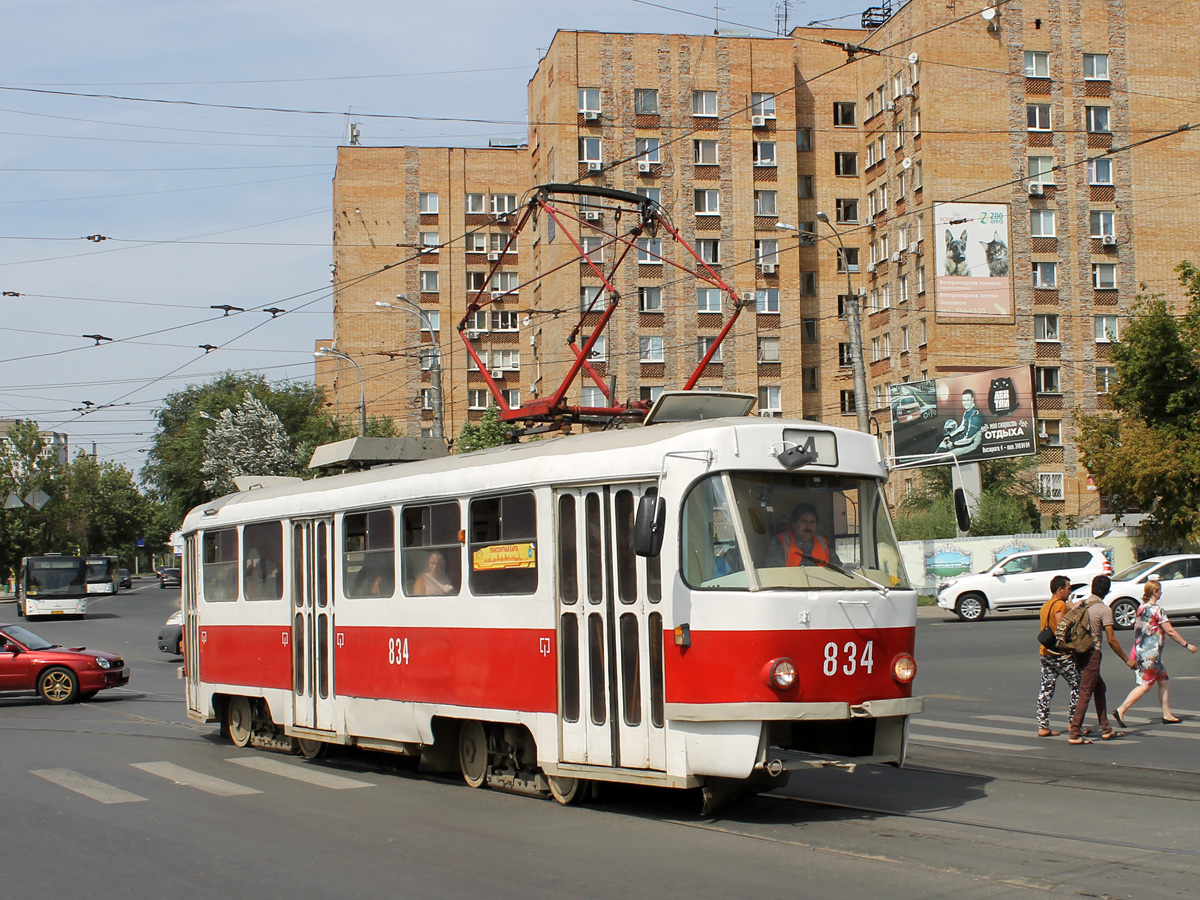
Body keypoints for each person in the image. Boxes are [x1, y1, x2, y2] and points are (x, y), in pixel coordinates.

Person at [1113, 577, 1197, 727]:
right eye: (1159, 590)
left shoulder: (1141, 608)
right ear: (1155, 592)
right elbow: (1169, 630)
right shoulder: (1157, 610)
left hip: (1144, 651)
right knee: (1146, 685)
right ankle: (1121, 710)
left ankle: (1167, 714)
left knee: (1164, 681)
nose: (1161, 593)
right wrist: (1187, 645)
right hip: (1151, 654)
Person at [1068, 574, 1136, 745]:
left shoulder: (1081, 604)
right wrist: (1127, 660)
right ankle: (1075, 732)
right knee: (1086, 692)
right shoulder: (1104, 610)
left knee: (1100, 688)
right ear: (1106, 591)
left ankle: (1106, 728)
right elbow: (1112, 639)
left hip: (1077, 652)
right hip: (1092, 653)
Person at [1035, 574, 1081, 737]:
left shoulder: (1046, 605)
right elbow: (1062, 628)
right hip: (1060, 654)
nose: (1070, 591)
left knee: (1046, 688)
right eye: (1068, 588)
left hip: (1045, 652)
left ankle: (1043, 725)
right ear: (1060, 590)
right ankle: (1073, 723)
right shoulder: (1059, 605)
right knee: (1078, 686)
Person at [765, 502, 843, 568]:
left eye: (812, 522)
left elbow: (838, 569)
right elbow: (775, 574)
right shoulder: (780, 542)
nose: (808, 526)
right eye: (804, 522)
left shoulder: (823, 543)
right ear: (794, 524)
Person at [939, 389, 984, 457]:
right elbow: (961, 427)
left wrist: (953, 444)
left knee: (945, 456)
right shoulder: (967, 411)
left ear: (972, 399)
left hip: (972, 444)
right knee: (943, 443)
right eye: (963, 400)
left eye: (967, 400)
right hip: (963, 439)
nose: (965, 403)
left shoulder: (976, 415)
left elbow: (969, 439)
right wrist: (949, 436)